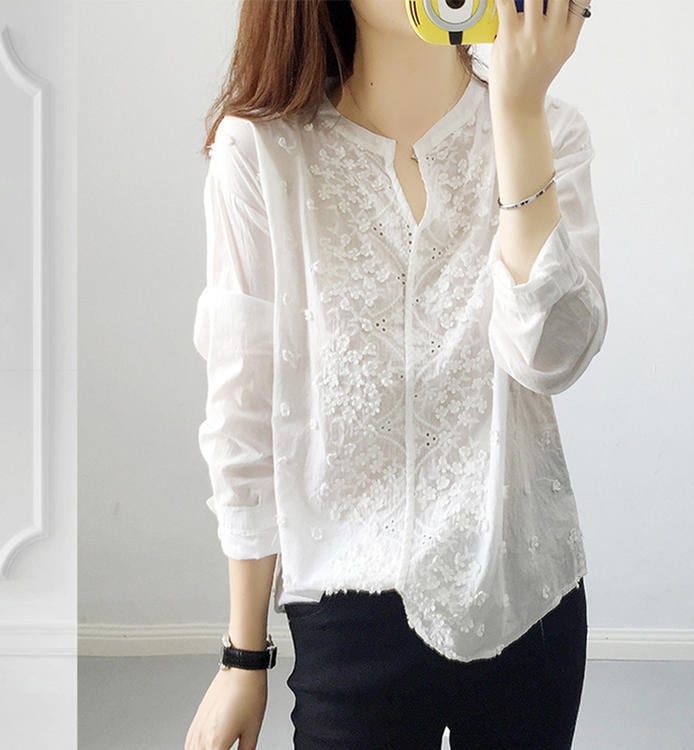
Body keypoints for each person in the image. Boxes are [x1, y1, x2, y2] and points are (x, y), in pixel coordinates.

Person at [185, 0, 604, 748]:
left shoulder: (549, 131)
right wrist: (243, 656)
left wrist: (517, 114)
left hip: (528, 598)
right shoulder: (262, 154)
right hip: (348, 617)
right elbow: (243, 421)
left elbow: (551, 357)